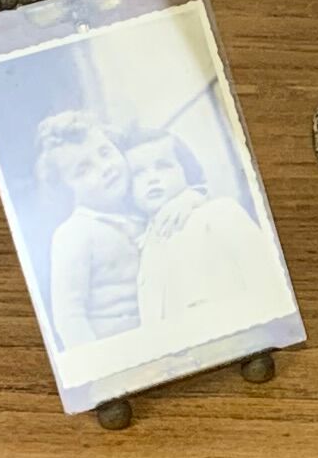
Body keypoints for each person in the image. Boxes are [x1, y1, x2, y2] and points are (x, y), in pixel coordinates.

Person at [126, 130, 277, 343]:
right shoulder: (144, 245)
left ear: (187, 171)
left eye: (164, 166)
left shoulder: (219, 212)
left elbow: (268, 279)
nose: (152, 178)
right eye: (138, 173)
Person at [33, 109, 143, 353]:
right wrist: (100, 367)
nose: (105, 168)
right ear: (65, 189)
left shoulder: (139, 205)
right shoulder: (74, 234)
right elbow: (69, 316)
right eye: (84, 169)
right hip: (117, 355)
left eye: (105, 152)